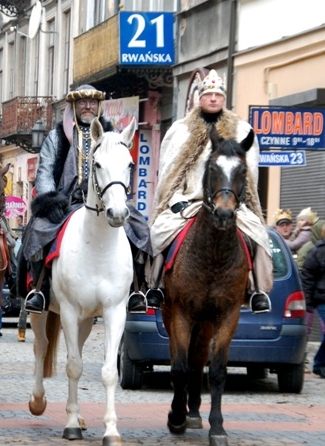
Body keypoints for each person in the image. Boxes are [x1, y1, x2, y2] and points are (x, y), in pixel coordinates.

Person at [146, 69, 272, 314]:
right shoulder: (180, 131)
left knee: (258, 234)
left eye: (218, 95)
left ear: (224, 99)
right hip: (188, 201)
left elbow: (248, 175)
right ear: (199, 98)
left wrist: (240, 201)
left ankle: (257, 290)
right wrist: (175, 201)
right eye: (208, 94)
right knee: (159, 232)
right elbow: (170, 174)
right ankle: (156, 285)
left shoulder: (241, 130)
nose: (213, 99)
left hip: (230, 201)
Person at [19, 84, 152, 313]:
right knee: (38, 229)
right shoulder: (57, 136)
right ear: (74, 106)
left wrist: (117, 195)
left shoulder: (113, 136)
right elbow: (45, 172)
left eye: (92, 102)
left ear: (99, 106)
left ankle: (137, 290)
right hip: (66, 202)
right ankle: (39, 289)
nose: (88, 106)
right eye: (82, 102)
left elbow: (121, 169)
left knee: (140, 228)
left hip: (107, 202)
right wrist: (50, 201)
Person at [299, 223, 325, 378]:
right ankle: (319, 363)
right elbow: (307, 279)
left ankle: (320, 363)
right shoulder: (316, 251)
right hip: (322, 298)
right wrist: (307, 303)